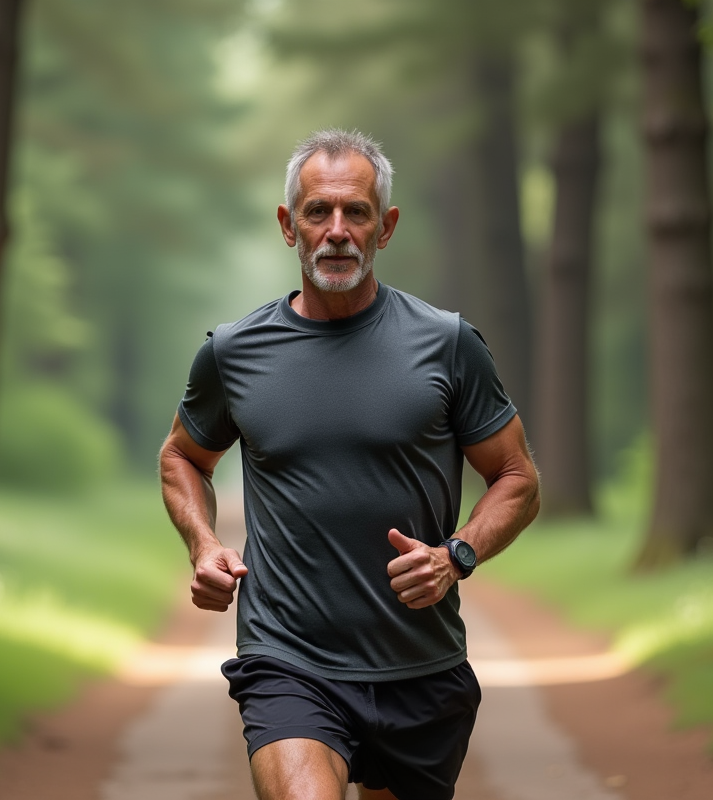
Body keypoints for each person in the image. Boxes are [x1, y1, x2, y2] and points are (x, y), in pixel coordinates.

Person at [158, 129, 540, 800]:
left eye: (356, 212)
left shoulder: (447, 345)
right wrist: (204, 544)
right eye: (317, 212)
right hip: (288, 659)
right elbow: (184, 456)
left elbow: (518, 477)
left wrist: (457, 554)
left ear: (384, 227)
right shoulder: (233, 353)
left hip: (419, 665)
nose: (337, 231)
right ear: (288, 225)